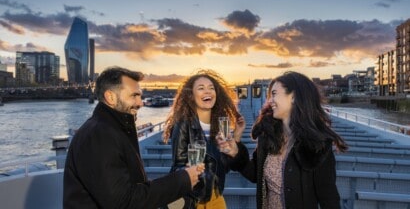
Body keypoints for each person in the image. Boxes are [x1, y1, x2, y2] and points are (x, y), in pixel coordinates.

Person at [63, 67, 204, 209]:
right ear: (110, 97)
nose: (141, 103)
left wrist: (182, 179)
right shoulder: (100, 135)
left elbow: (126, 190)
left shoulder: (109, 129)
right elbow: (123, 202)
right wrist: (182, 180)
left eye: (140, 96)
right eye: (134, 96)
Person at [223, 71, 348, 209]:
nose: (270, 101)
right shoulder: (268, 136)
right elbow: (255, 174)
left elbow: (328, 199)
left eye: (274, 94)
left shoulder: (316, 145)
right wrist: (236, 152)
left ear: (293, 96)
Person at [162, 69, 249, 209]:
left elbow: (224, 168)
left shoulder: (219, 127)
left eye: (211, 88)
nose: (207, 91)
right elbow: (178, 165)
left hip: (215, 195)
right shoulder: (183, 124)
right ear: (191, 96)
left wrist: (237, 136)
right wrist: (189, 168)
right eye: (201, 88)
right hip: (193, 198)